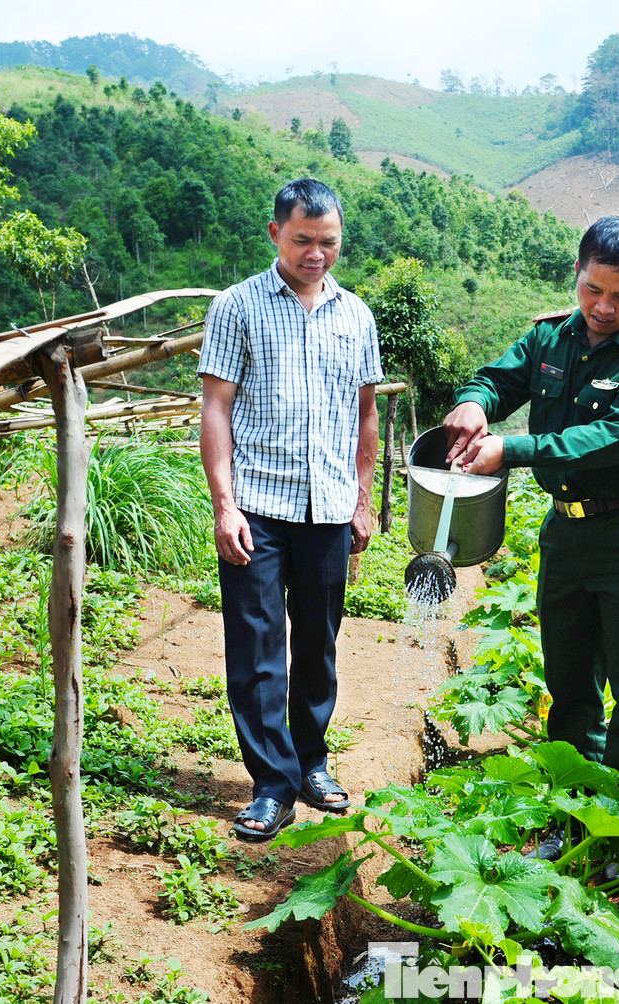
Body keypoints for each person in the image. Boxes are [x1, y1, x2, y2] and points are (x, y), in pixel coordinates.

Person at [442, 217, 619, 857]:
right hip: (567, 534)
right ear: (577, 277)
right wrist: (474, 401)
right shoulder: (549, 337)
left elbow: (607, 440)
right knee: (570, 684)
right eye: (592, 290)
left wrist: (511, 448)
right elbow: (498, 380)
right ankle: (575, 820)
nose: (604, 308)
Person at [199, 178, 383, 841]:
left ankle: (311, 762)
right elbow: (215, 408)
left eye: (327, 242)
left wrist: (362, 502)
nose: (316, 254)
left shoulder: (356, 316)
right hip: (257, 503)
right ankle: (272, 784)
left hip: (328, 505)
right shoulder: (238, 307)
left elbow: (366, 416)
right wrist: (225, 507)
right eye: (303, 240)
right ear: (276, 233)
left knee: (319, 645)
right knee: (255, 649)